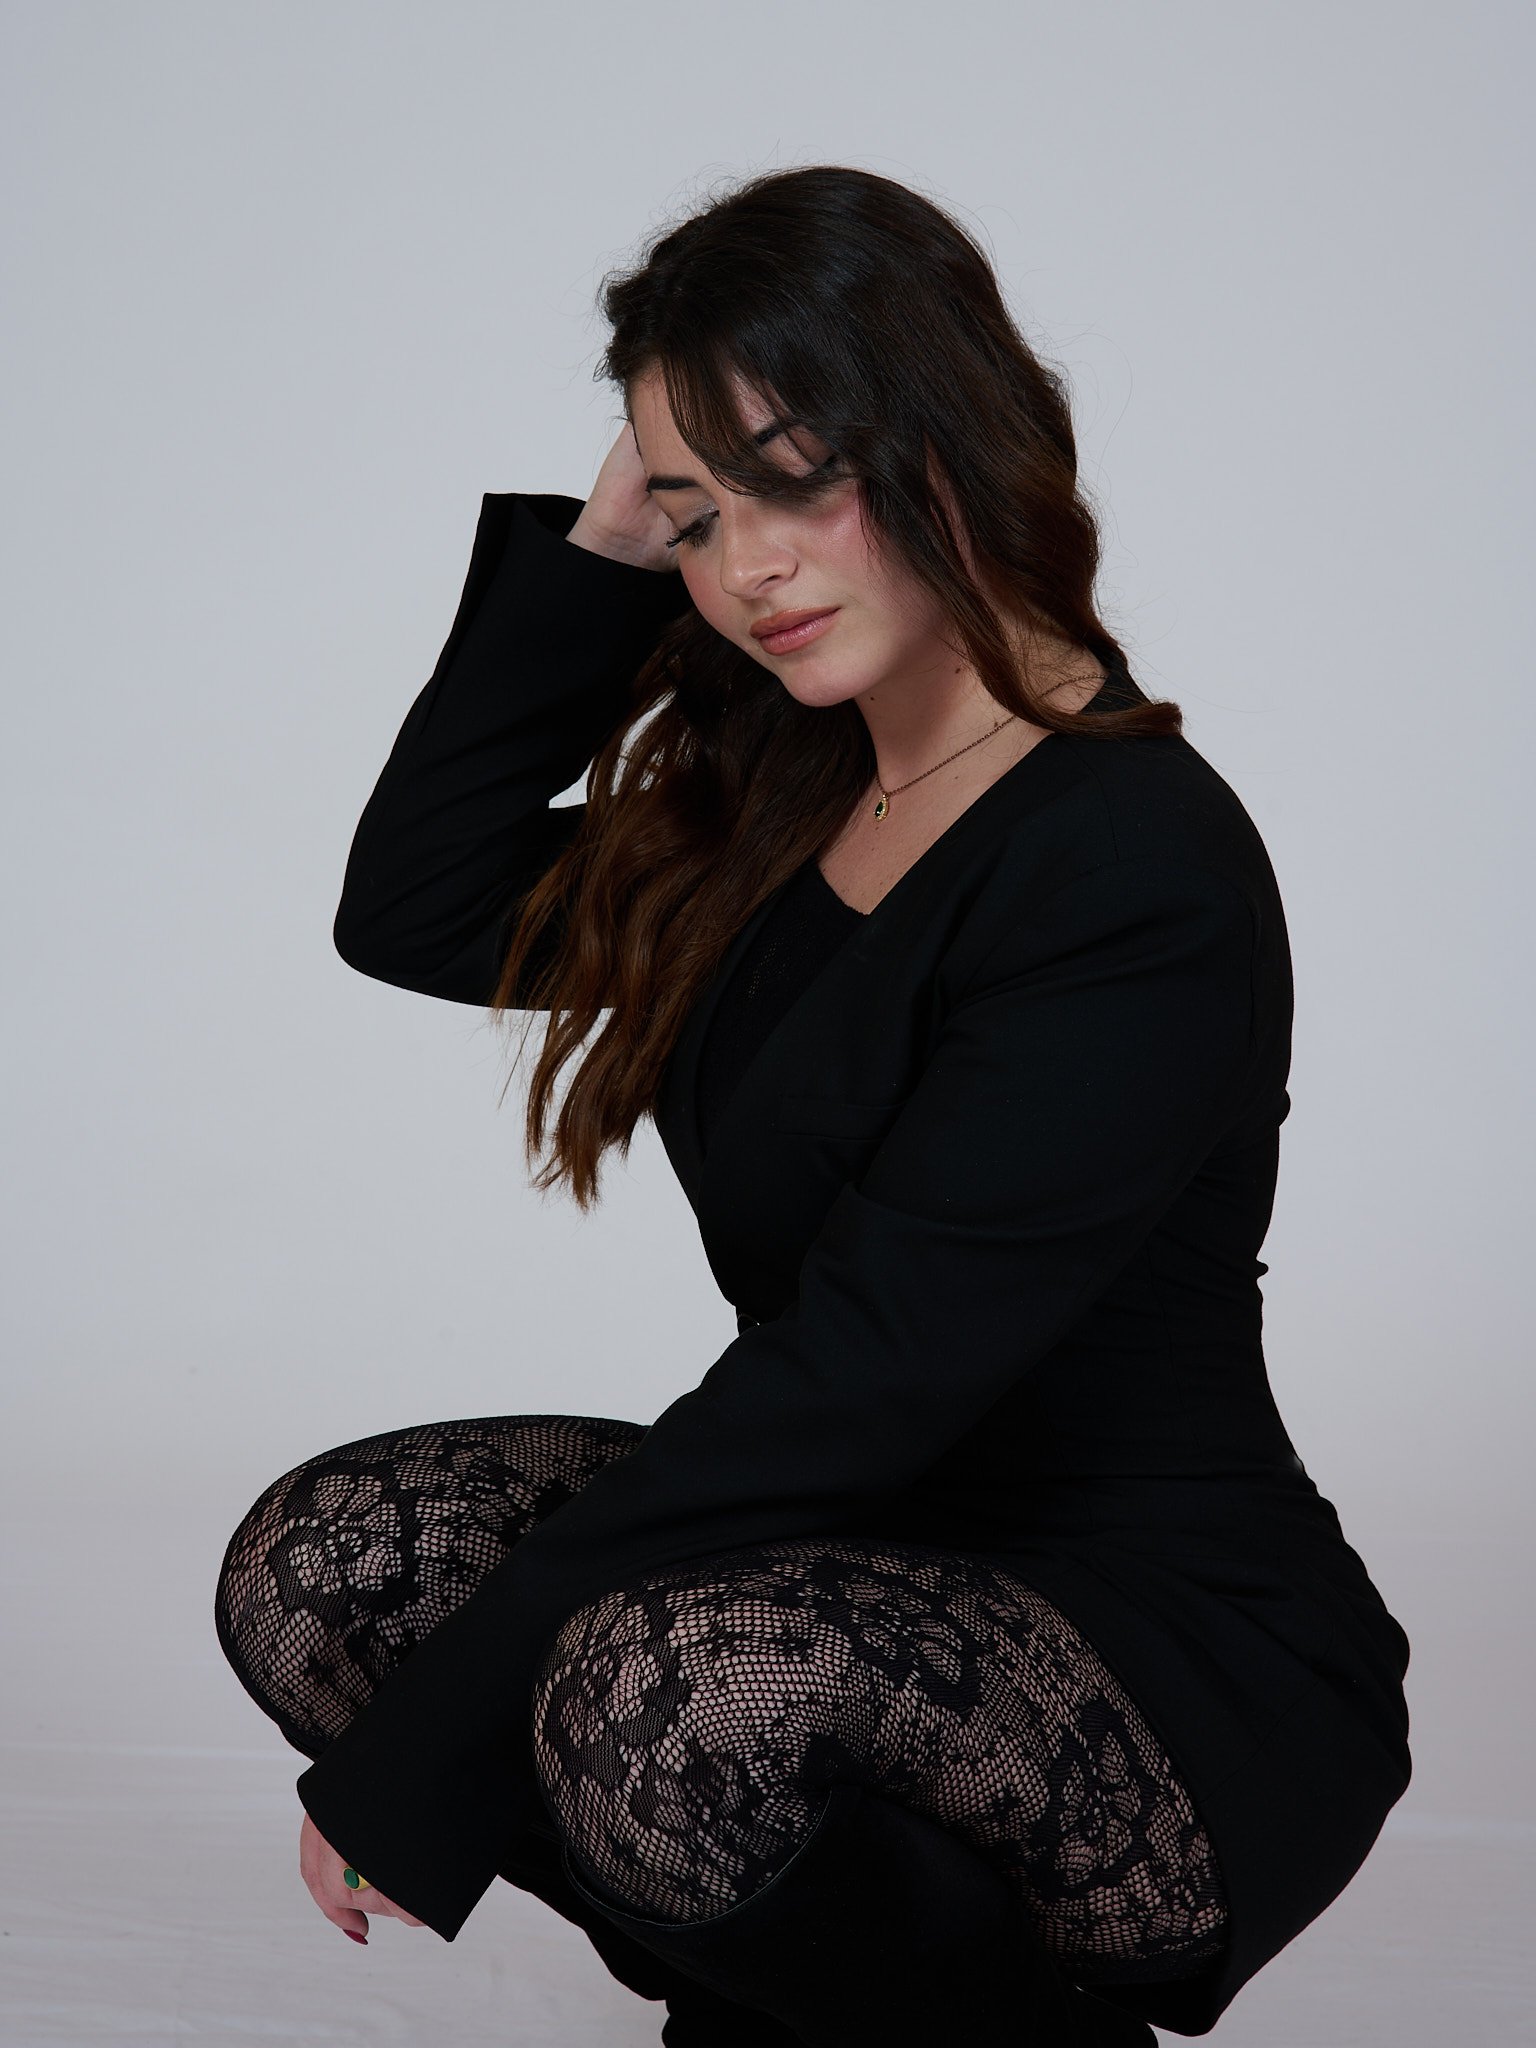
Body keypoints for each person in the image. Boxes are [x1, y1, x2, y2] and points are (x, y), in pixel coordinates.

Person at [213, 164, 1411, 2046]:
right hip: (833, 1547)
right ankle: (798, 2002)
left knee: (673, 1687)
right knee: (332, 1567)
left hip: (1158, 1640)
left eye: (793, 479)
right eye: (701, 519)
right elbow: (416, 904)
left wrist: (433, 1755)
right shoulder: (780, 817)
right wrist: (611, 544)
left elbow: (856, 1377)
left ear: (947, 435)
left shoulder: (1128, 860)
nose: (746, 566)